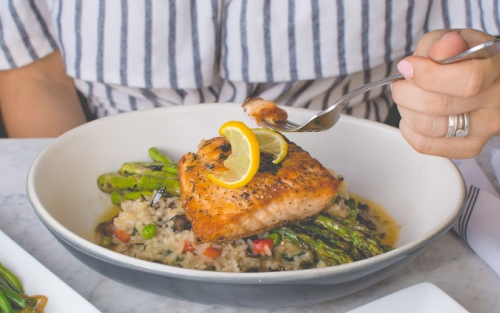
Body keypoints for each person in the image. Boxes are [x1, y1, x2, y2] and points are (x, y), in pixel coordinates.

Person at [0, 0, 499, 159]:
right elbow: (34, 75)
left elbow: (480, 42)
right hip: (110, 163)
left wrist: (469, 87)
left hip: (360, 160)